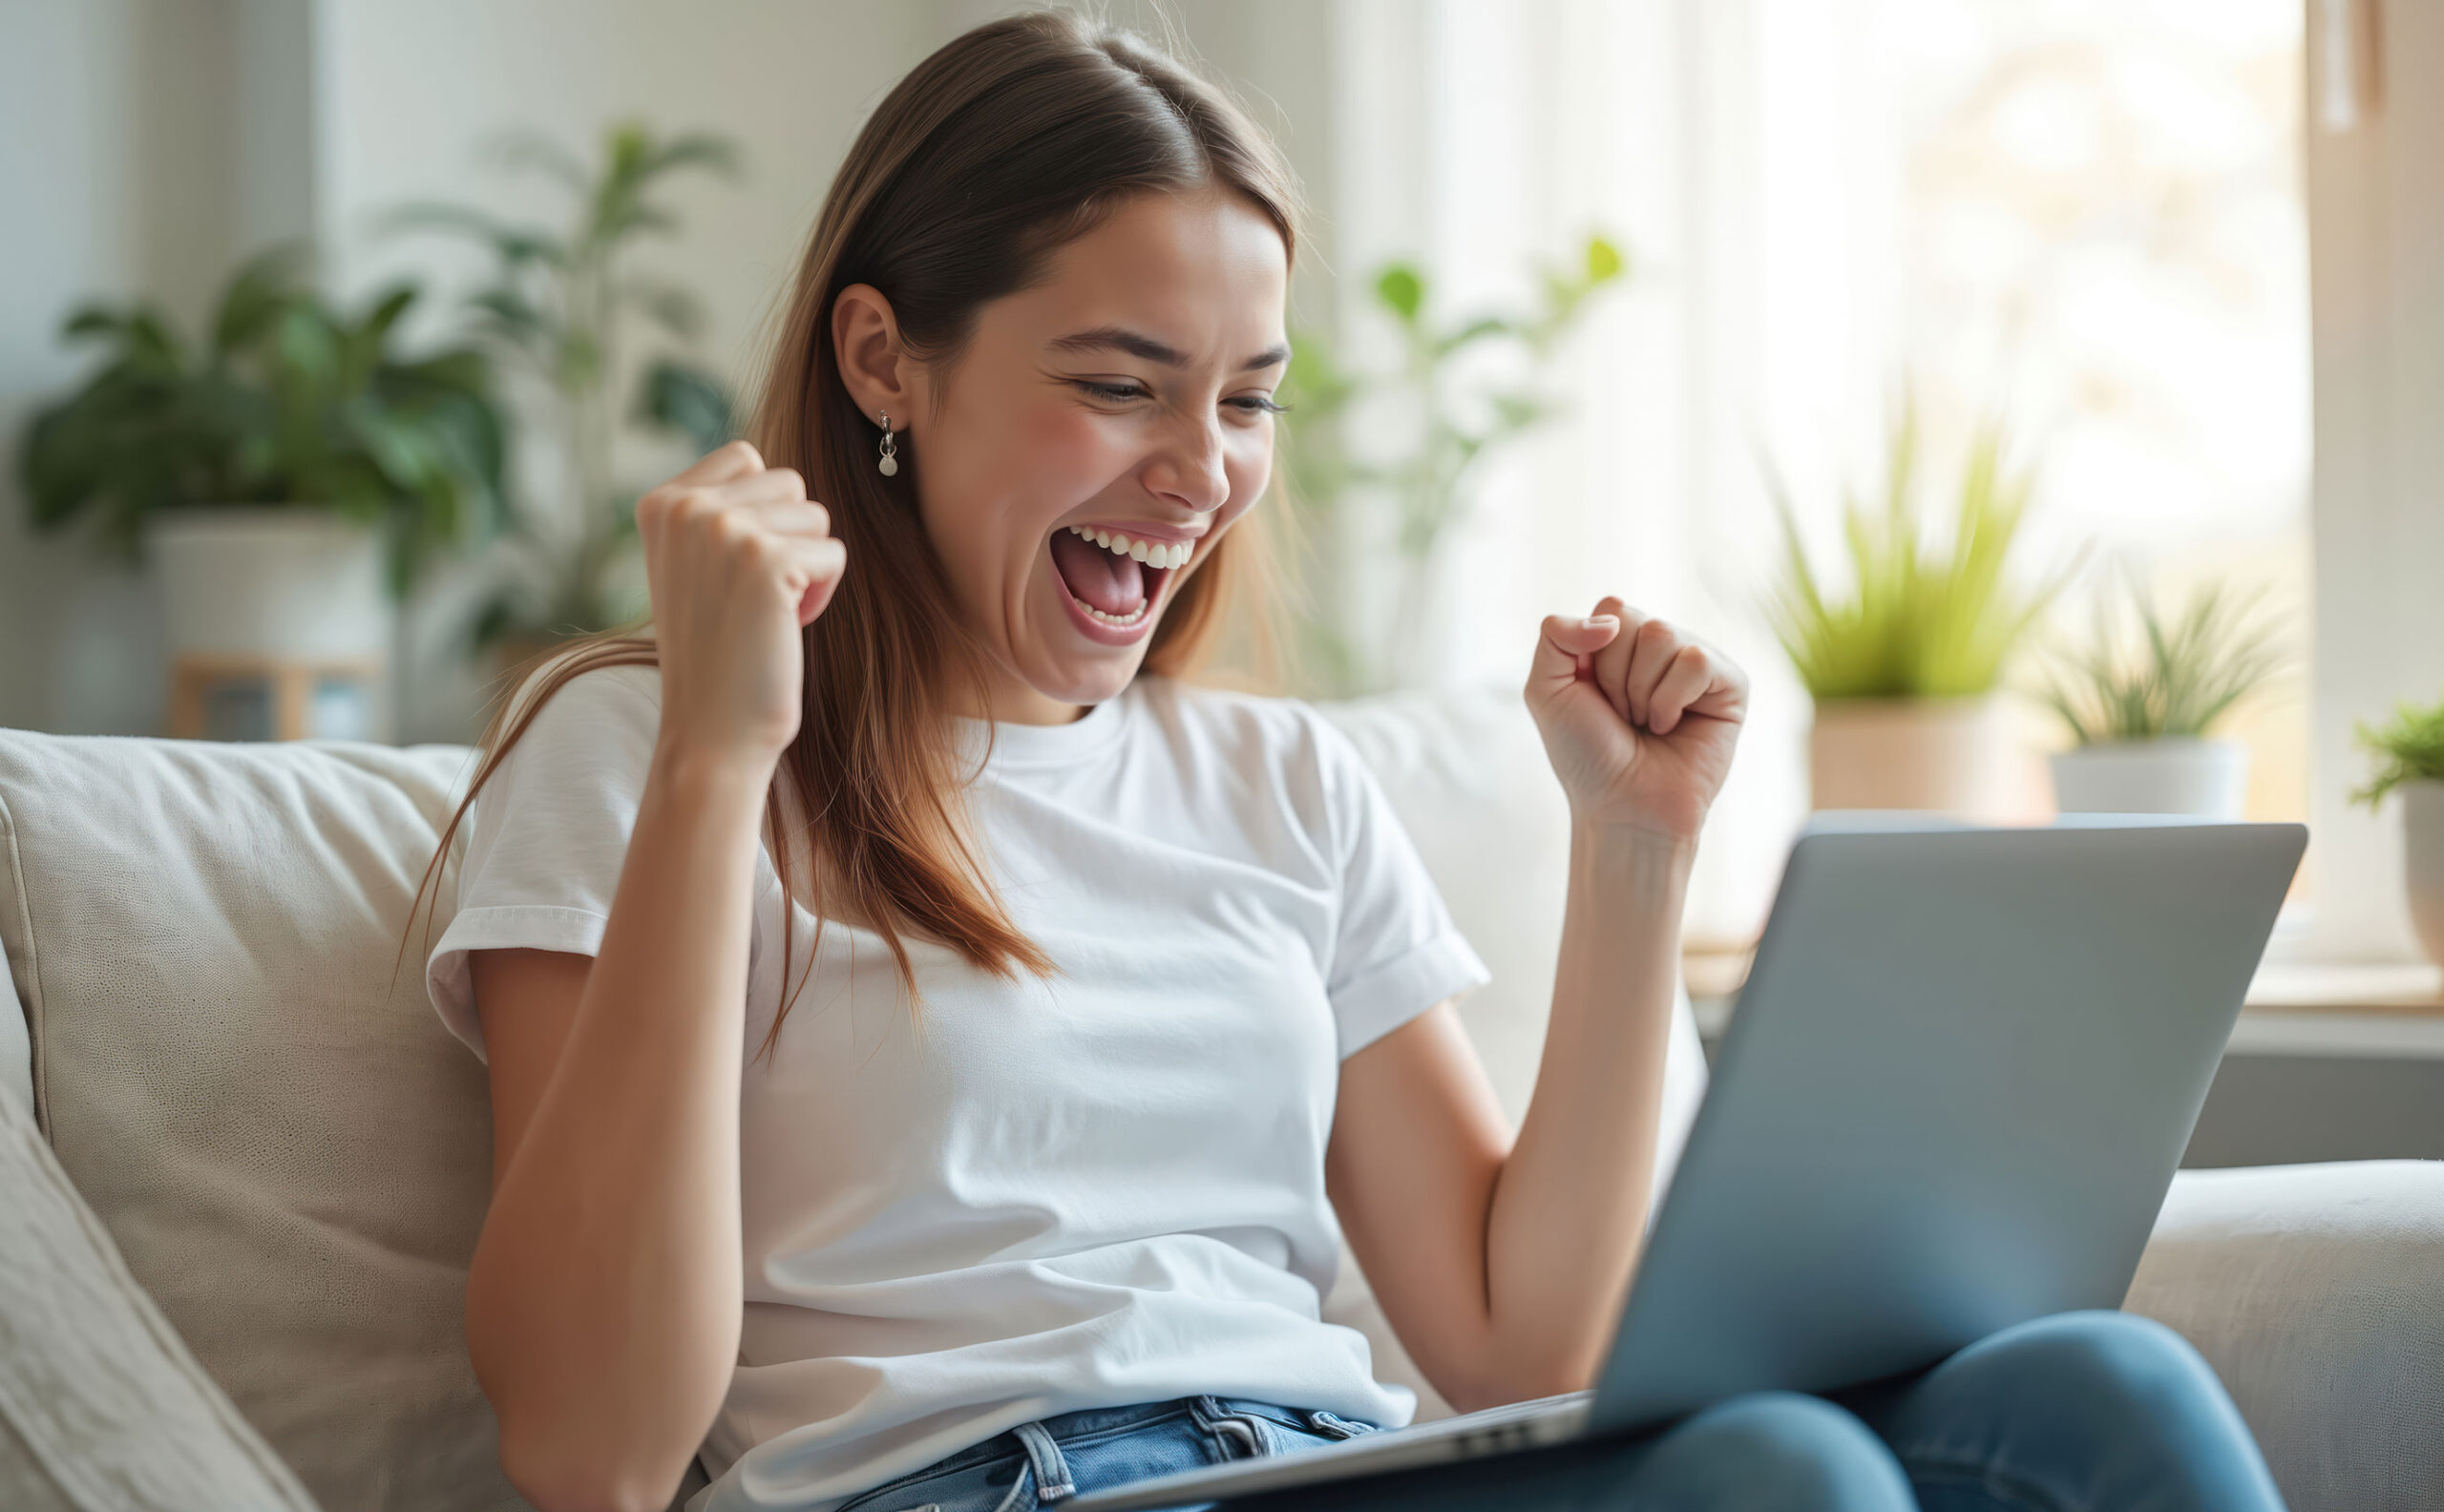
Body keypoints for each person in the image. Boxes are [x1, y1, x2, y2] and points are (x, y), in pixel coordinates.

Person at [411, 12, 2288, 1512]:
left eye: (1244, 400)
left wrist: (1628, 854)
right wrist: (724, 754)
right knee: (1776, 1478)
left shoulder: (1281, 791)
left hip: (1326, 1461)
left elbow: (1513, 1346)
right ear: (884, 359)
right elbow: (591, 1452)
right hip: (978, 1486)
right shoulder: (650, 749)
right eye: (1118, 381)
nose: (1200, 471)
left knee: (2093, 1389)